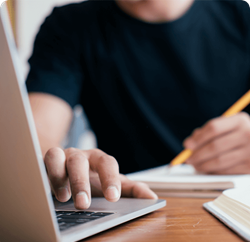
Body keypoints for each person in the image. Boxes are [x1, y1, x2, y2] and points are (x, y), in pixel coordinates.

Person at [26, 0, 250, 210]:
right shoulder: (70, 25)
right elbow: (35, 135)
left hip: (236, 203)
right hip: (128, 206)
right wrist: (62, 168)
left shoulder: (242, 11)